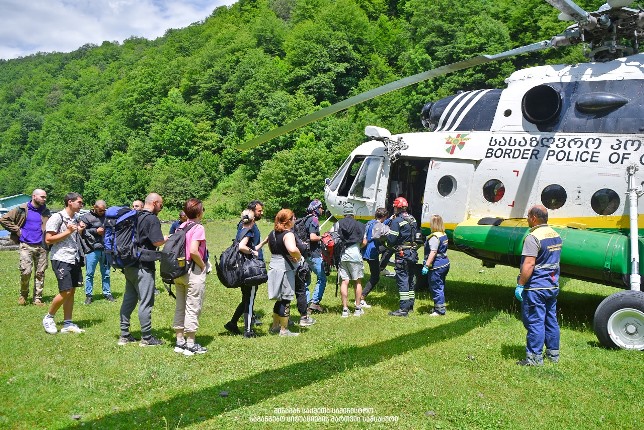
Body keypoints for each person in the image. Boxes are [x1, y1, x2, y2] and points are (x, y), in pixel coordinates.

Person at [515, 205, 562, 366]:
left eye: (528, 216)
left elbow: (529, 265)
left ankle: (534, 358)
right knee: (551, 320)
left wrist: (521, 284)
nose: (527, 219)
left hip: (536, 287)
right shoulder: (555, 234)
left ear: (534, 218)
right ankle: (553, 354)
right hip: (552, 285)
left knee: (535, 322)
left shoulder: (533, 237)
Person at [118, 193, 167, 346]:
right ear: (154, 203)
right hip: (143, 266)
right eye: (161, 204)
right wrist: (167, 238)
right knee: (146, 301)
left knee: (129, 300)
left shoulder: (134, 216)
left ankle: (124, 335)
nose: (161, 208)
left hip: (128, 263)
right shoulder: (151, 219)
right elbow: (157, 241)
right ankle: (146, 338)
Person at [41, 192, 86, 334]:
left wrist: (80, 230)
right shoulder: (57, 217)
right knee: (65, 290)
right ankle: (48, 318)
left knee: (71, 291)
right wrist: (68, 231)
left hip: (74, 257)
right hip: (61, 258)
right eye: (79, 202)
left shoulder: (76, 218)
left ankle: (68, 323)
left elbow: (75, 236)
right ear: (70, 202)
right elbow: (49, 239)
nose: (81, 205)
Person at [0, 189, 51, 306]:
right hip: (26, 245)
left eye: (45, 197)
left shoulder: (46, 211)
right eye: (42, 197)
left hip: (42, 245)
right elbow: (3, 219)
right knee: (25, 271)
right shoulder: (22, 209)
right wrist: (17, 230)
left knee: (40, 273)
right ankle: (23, 294)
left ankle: (37, 298)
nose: (44, 199)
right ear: (34, 196)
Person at [172, 198, 209, 355]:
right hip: (192, 271)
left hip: (178, 271)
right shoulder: (198, 228)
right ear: (200, 212)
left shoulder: (180, 227)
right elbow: (194, 251)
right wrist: (202, 265)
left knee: (180, 306)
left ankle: (179, 342)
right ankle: (190, 344)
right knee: (193, 306)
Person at [224, 209, 263, 338]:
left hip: (241, 269)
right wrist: (252, 253)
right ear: (252, 221)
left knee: (246, 299)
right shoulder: (250, 231)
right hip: (249, 270)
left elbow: (250, 247)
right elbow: (242, 247)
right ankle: (248, 331)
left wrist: (263, 242)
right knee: (250, 300)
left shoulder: (241, 230)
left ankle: (232, 323)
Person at [267, 209, 303, 337]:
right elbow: (292, 249)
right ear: (288, 221)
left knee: (279, 298)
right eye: (293, 218)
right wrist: (298, 256)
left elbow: (270, 247)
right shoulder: (288, 234)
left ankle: (275, 326)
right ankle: (284, 330)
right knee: (286, 299)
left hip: (273, 266)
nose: (295, 220)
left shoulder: (272, 233)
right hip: (285, 268)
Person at [385, 197, 419, 317]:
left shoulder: (397, 221)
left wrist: (385, 237)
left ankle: (403, 309)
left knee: (402, 280)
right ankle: (410, 306)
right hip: (412, 253)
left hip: (402, 254)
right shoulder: (412, 219)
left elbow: (391, 240)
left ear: (397, 207)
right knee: (410, 279)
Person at [335, 203, 366, 317]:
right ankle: (357, 309)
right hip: (355, 254)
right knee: (357, 281)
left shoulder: (338, 223)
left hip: (343, 255)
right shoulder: (361, 225)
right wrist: (357, 247)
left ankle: (344, 309)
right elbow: (364, 242)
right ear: (353, 214)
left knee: (345, 281)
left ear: (344, 214)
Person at [80, 200, 113, 304]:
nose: (102, 212)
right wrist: (96, 231)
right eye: (100, 210)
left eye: (104, 210)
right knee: (90, 273)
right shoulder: (86, 217)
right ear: (94, 207)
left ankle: (107, 293)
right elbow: (81, 231)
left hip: (105, 249)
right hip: (92, 249)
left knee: (106, 273)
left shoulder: (107, 217)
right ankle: (89, 295)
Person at [238, 200, 265, 326]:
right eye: (259, 211)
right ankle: (248, 324)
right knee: (248, 295)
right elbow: (242, 246)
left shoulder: (249, 225)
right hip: (249, 265)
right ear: (252, 211)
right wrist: (253, 253)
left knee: (248, 295)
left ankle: (238, 320)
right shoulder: (248, 226)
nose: (262, 213)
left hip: (251, 263)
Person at [421, 214, 450, 316]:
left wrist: (426, 265)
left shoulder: (434, 237)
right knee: (440, 286)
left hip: (437, 265)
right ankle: (440, 306)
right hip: (445, 263)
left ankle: (439, 310)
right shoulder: (443, 234)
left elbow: (433, 252)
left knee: (436, 287)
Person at [361, 207, 389, 308]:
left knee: (386, 249)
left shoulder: (370, 222)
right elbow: (380, 234)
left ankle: (381, 267)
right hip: (372, 252)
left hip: (365, 249)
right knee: (375, 277)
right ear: (384, 217)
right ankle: (362, 297)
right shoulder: (380, 225)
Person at [303, 199, 327, 314]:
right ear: (316, 209)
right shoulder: (314, 220)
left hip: (304, 253)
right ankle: (314, 303)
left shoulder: (305, 219)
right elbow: (313, 237)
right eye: (321, 207)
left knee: (306, 280)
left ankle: (307, 303)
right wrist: (322, 237)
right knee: (322, 278)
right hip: (314, 254)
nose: (322, 209)